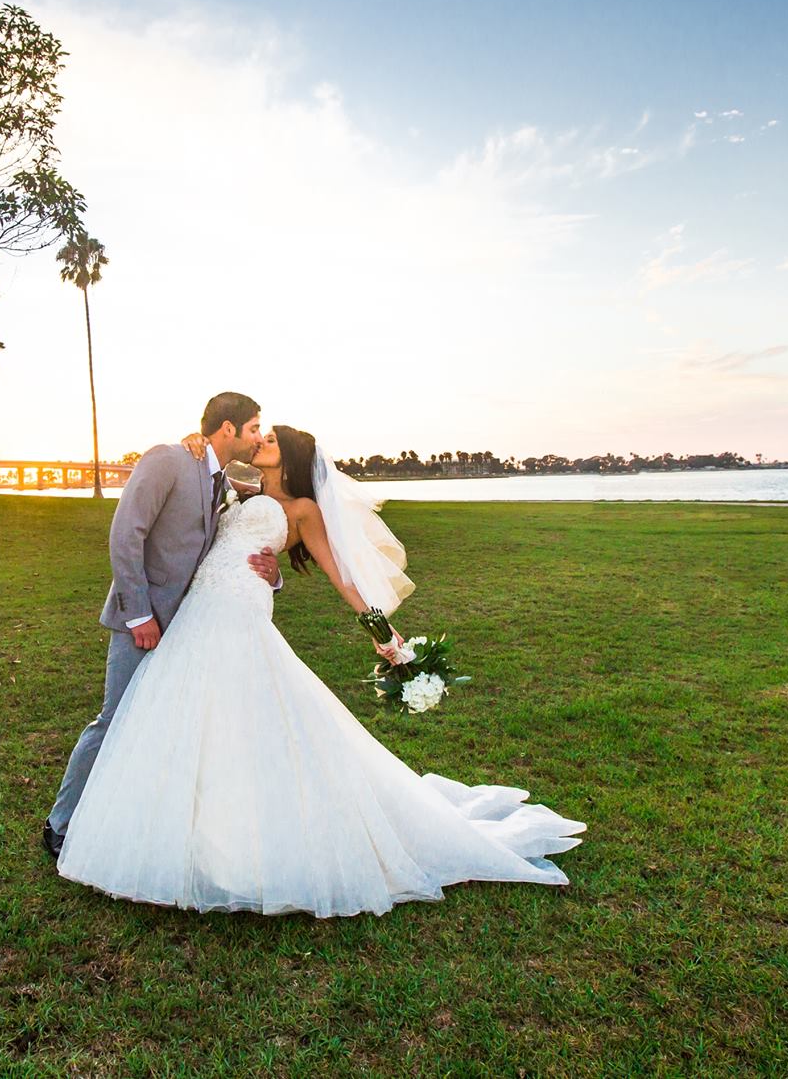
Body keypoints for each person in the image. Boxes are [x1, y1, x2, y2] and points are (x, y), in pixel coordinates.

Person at [54, 421, 586, 916]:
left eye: (271, 438)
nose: (261, 440)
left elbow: (343, 577)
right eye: (258, 432)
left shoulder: (304, 508)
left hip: (239, 616)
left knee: (245, 717)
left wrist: (382, 633)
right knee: (192, 717)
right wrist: (193, 440)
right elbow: (210, 515)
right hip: (198, 614)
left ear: (291, 456)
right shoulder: (241, 490)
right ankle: (190, 832)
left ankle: (242, 844)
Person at [42, 392, 285, 855]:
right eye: (254, 427)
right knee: (114, 720)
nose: (258, 436)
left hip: (191, 629)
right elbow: (125, 534)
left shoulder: (223, 481)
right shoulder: (168, 460)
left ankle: (136, 821)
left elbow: (230, 546)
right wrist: (139, 615)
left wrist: (272, 576)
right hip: (145, 623)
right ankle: (60, 823)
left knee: (162, 727)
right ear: (229, 428)